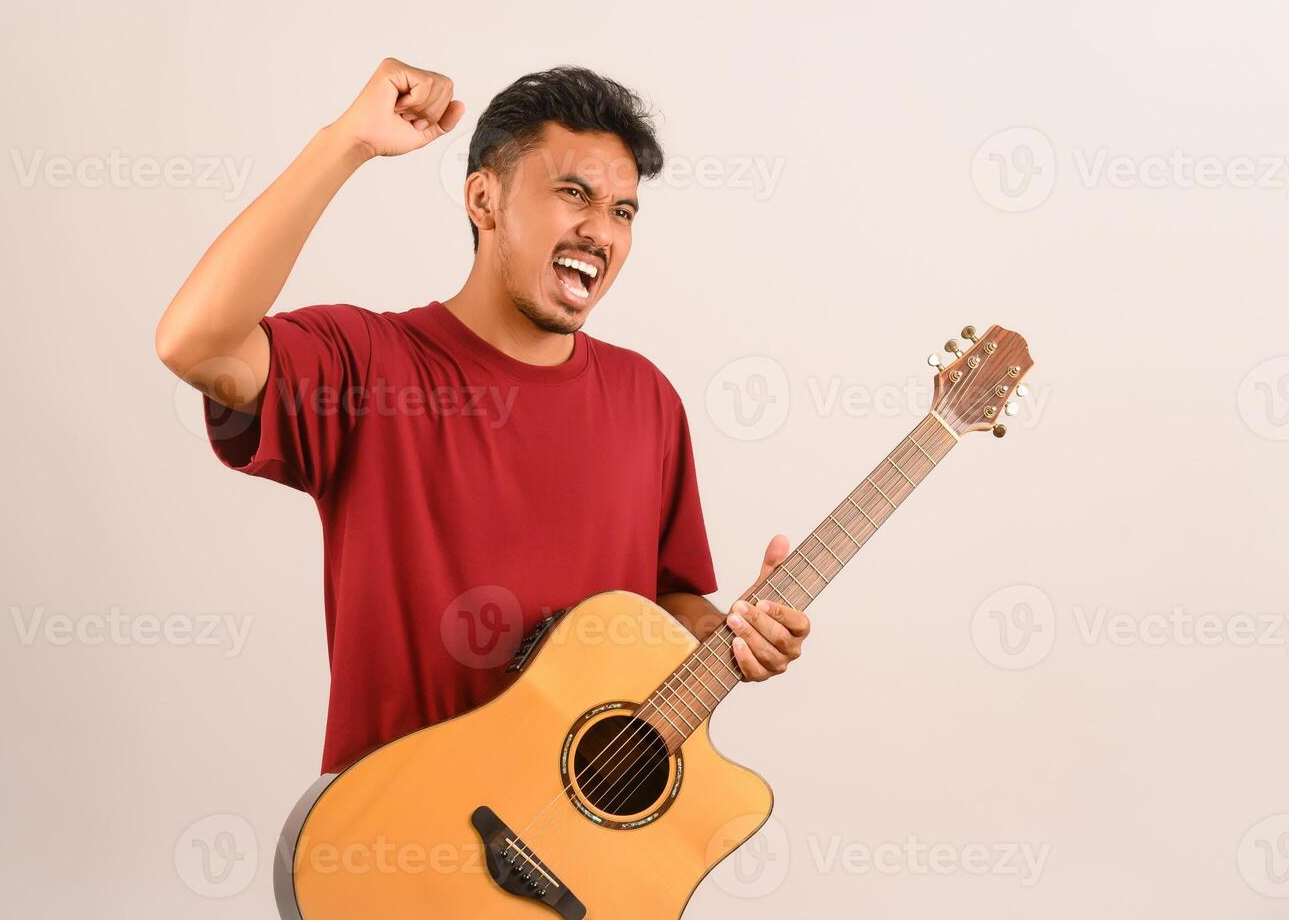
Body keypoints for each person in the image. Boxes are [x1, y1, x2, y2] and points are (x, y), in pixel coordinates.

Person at [155, 58, 811, 775]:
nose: (601, 231)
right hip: (396, 848)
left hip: (592, 862)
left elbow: (667, 604)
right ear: (483, 200)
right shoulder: (368, 365)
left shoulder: (645, 396)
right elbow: (195, 343)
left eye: (622, 211)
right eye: (573, 194)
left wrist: (732, 636)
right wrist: (347, 140)